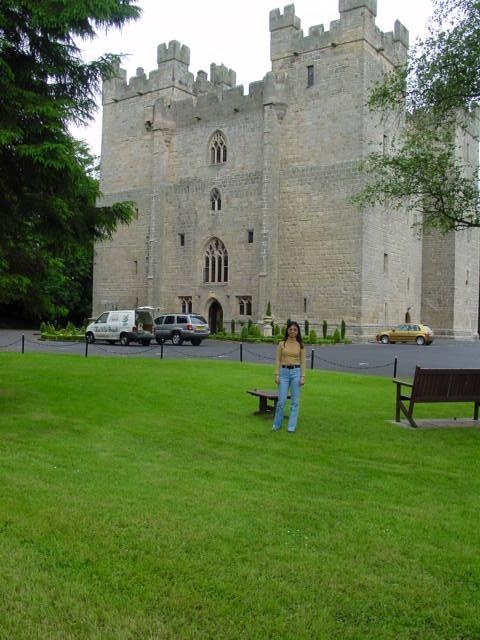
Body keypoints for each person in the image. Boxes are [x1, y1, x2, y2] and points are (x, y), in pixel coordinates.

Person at [272, 321, 306, 433]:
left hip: (296, 372)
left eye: (295, 329)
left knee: (295, 402)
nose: (292, 331)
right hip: (284, 373)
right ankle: (277, 424)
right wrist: (276, 374)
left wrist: (302, 376)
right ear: (287, 330)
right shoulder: (282, 344)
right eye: (290, 329)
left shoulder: (300, 345)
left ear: (298, 332)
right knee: (281, 401)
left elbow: (303, 363)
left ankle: (291, 427)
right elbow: (277, 360)